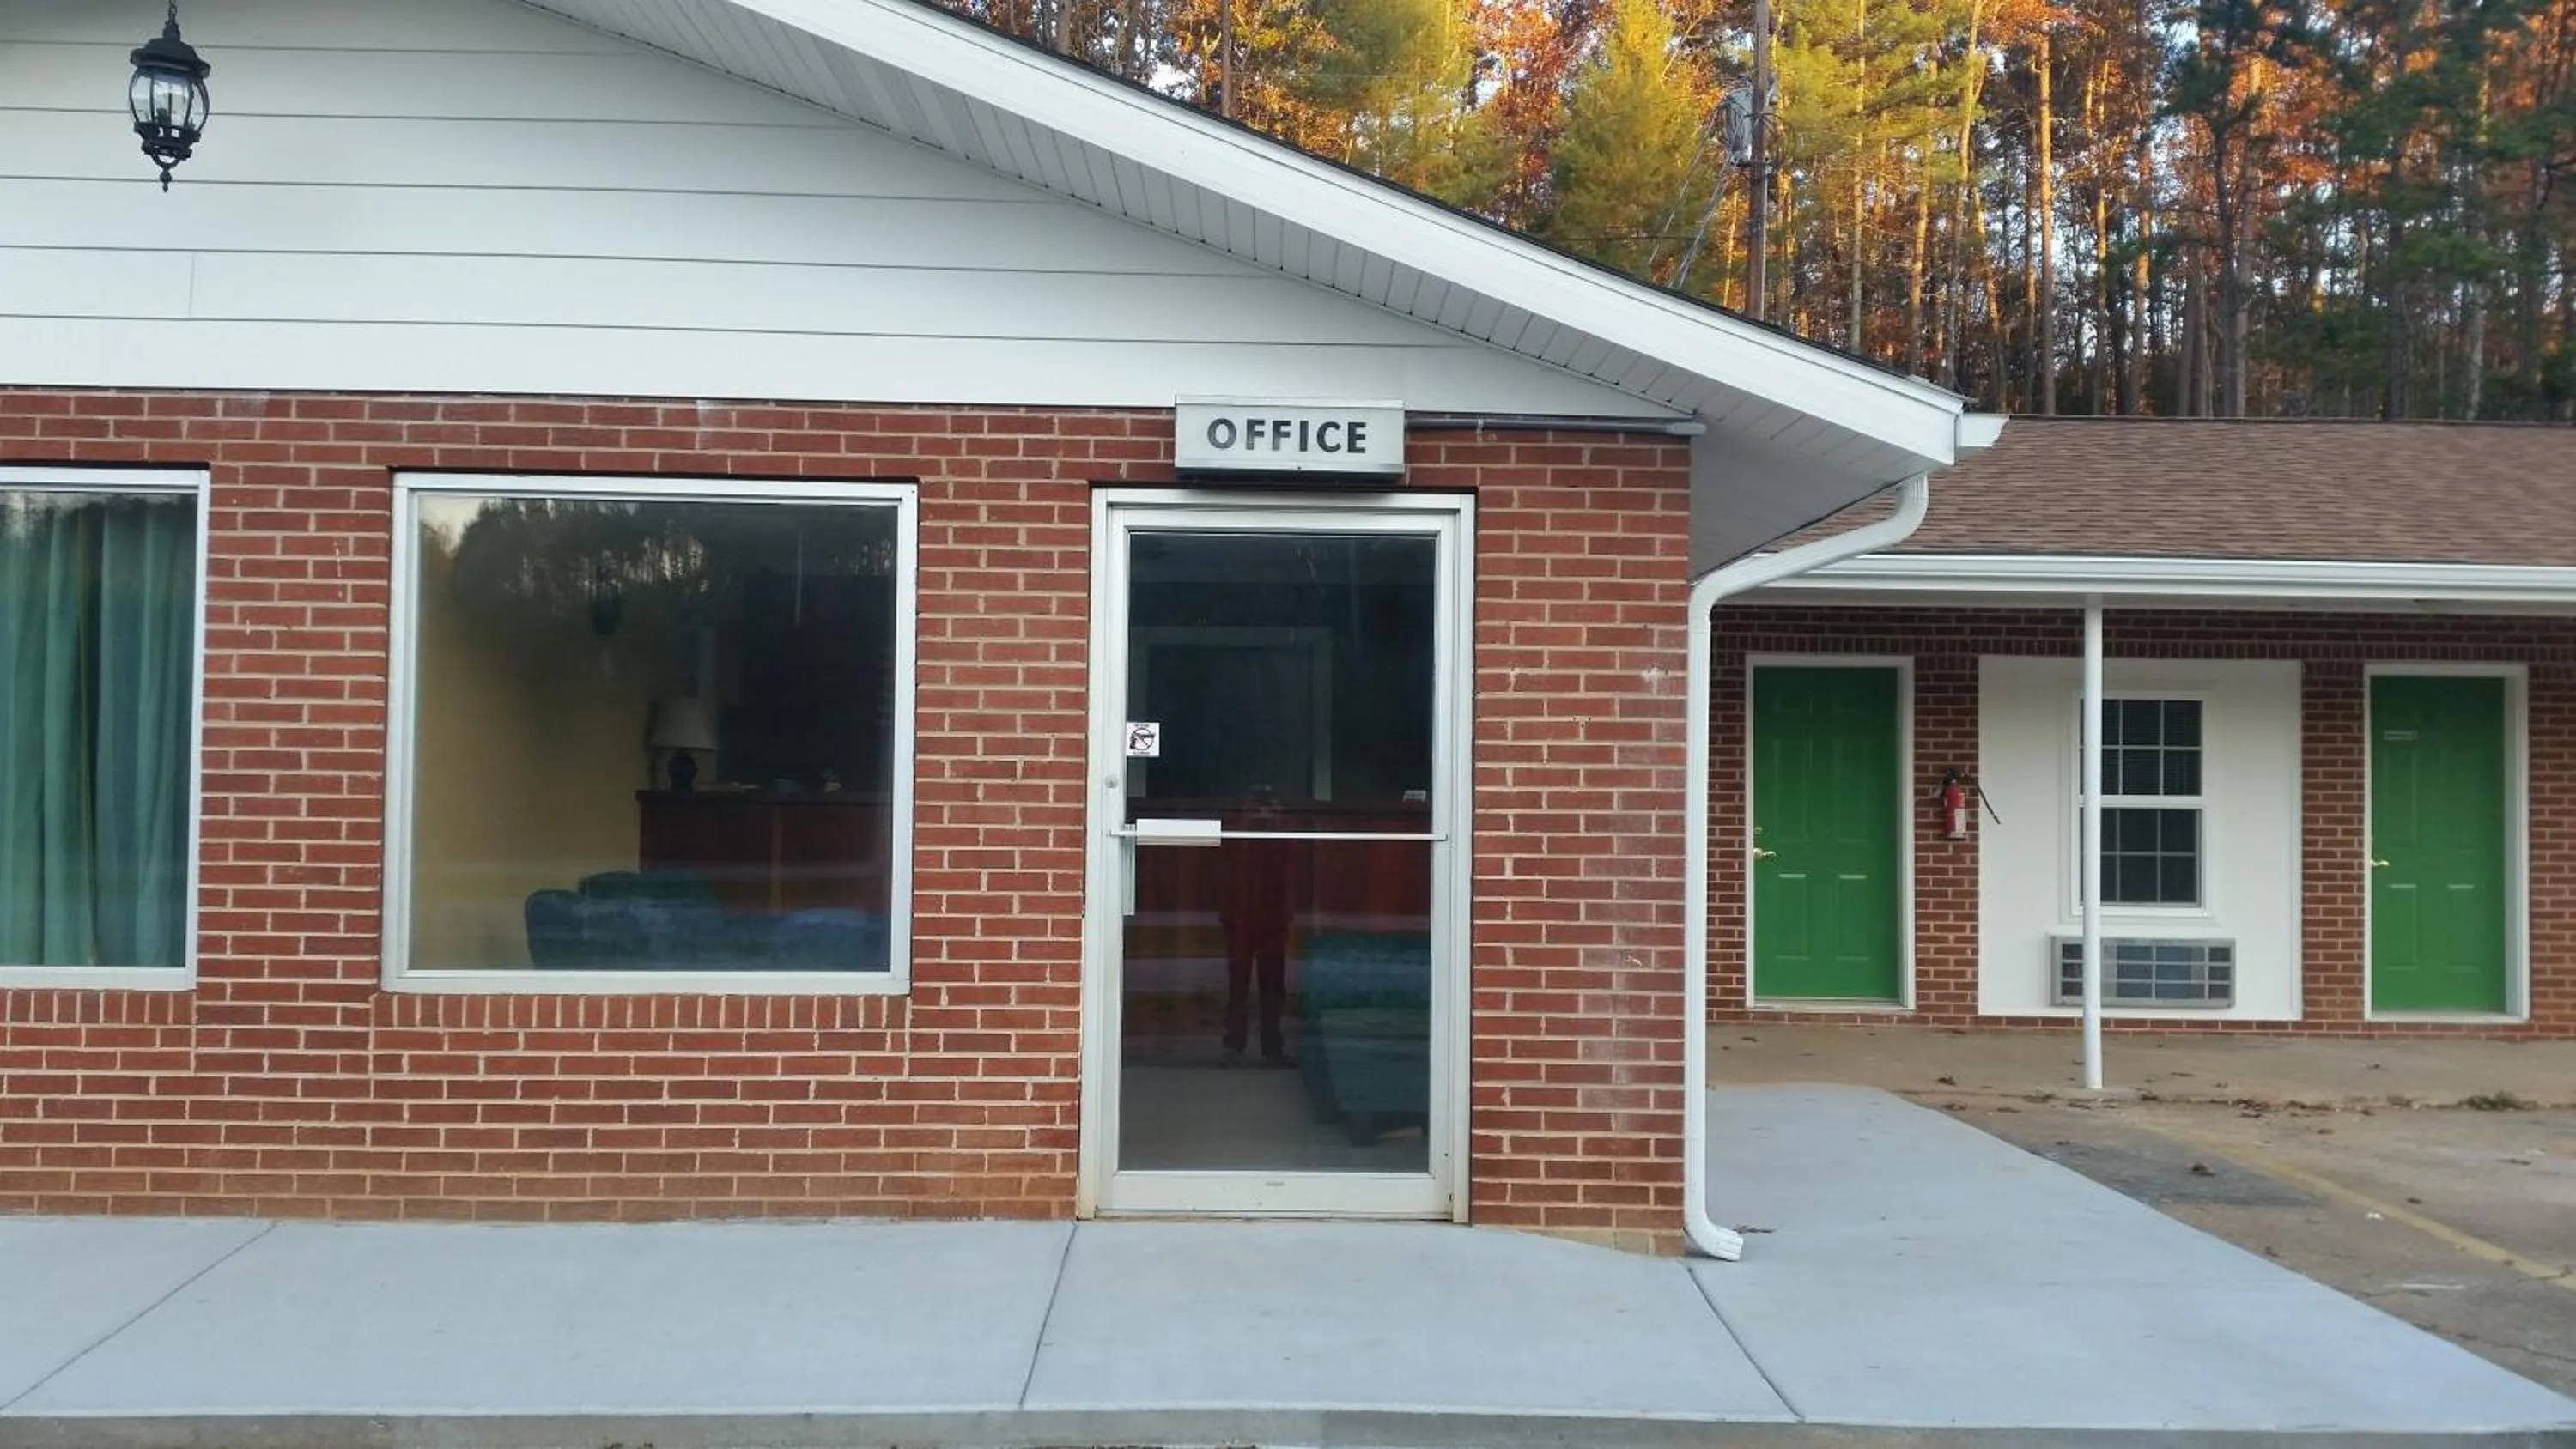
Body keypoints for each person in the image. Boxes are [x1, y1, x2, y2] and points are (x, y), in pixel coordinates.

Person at [1218, 785, 1303, 1065]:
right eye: (1257, 807)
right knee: (1242, 983)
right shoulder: (1238, 834)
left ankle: (1264, 1045)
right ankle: (1240, 1045)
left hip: (1268, 917)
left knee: (1268, 984)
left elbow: (1291, 878)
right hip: (1245, 914)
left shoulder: (1281, 835)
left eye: (1269, 807)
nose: (1263, 814)